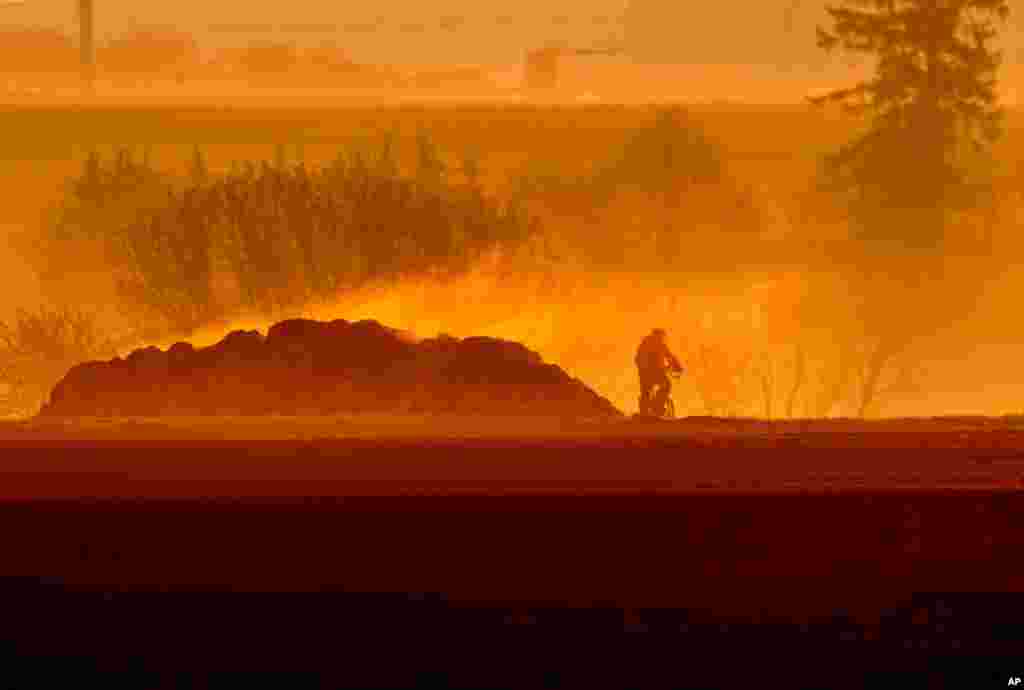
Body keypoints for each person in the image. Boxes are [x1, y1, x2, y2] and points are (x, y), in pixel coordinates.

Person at [635, 328, 683, 416]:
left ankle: (645, 411)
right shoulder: (658, 343)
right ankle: (657, 406)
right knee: (666, 385)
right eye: (662, 337)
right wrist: (678, 367)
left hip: (645, 373)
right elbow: (670, 357)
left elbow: (637, 359)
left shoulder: (645, 343)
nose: (663, 339)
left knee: (646, 392)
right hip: (653, 372)